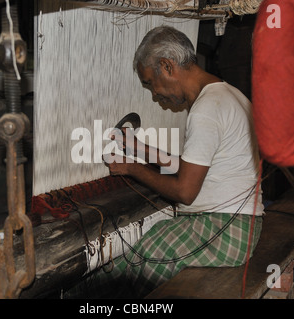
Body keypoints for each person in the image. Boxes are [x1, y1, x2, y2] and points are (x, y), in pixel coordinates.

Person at [102, 25, 265, 298]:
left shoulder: (206, 110)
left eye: (150, 83)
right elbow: (192, 167)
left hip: (224, 231)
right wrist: (139, 149)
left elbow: (185, 192)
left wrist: (131, 168)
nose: (154, 94)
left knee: (134, 266)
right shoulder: (229, 95)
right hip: (238, 227)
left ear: (166, 66)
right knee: (152, 242)